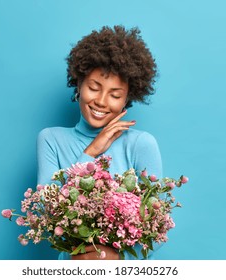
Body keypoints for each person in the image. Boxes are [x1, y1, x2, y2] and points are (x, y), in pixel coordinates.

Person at [36, 25, 163, 260]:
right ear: (79, 84)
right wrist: (92, 152)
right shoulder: (51, 139)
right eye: (94, 88)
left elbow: (158, 229)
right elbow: (47, 210)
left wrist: (113, 259)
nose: (102, 102)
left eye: (115, 95)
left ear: (128, 98)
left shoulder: (141, 144)